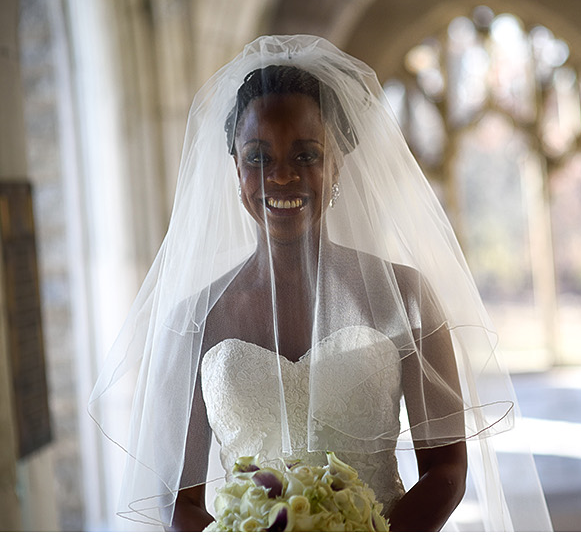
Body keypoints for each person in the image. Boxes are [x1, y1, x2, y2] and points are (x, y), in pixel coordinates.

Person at [88, 35, 552, 531]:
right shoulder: (193, 321)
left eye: (306, 155)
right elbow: (176, 499)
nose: (281, 177)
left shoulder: (406, 297)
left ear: (337, 165)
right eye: (258, 157)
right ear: (236, 170)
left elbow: (447, 470)